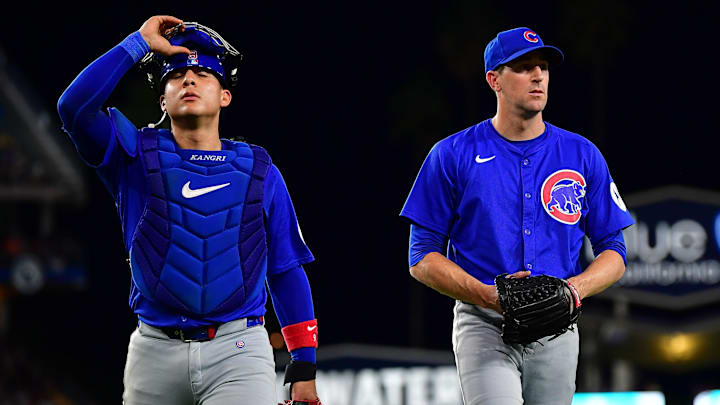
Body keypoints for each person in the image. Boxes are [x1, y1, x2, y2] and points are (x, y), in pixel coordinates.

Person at [57, 15, 321, 405]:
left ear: (225, 96)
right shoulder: (132, 155)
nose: (189, 80)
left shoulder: (259, 169)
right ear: (162, 99)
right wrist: (138, 43)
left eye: (202, 74)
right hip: (153, 351)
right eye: (176, 75)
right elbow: (73, 109)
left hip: (239, 350)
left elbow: (285, 268)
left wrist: (303, 367)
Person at [400, 27, 634, 405]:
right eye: (523, 67)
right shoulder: (451, 154)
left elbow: (615, 251)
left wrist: (574, 290)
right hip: (484, 324)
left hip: (557, 326)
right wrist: (487, 296)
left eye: (542, 66)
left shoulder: (581, 154)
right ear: (494, 79)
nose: (538, 75)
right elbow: (421, 257)